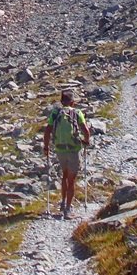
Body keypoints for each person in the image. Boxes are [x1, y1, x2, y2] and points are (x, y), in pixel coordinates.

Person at [42, 89, 91, 218]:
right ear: (72, 102)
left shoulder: (55, 112)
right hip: (73, 149)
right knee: (71, 179)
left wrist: (46, 147)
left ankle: (63, 202)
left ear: (61, 101)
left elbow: (47, 130)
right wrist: (86, 141)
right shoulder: (77, 112)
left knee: (64, 175)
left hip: (60, 149)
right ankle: (68, 210)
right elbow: (85, 130)